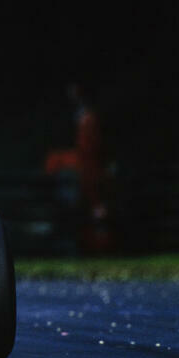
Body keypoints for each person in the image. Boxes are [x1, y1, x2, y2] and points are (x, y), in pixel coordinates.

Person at [44, 83, 112, 252]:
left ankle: (99, 244)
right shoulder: (83, 117)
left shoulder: (89, 118)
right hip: (85, 169)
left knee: (94, 206)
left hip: (90, 169)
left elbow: (90, 147)